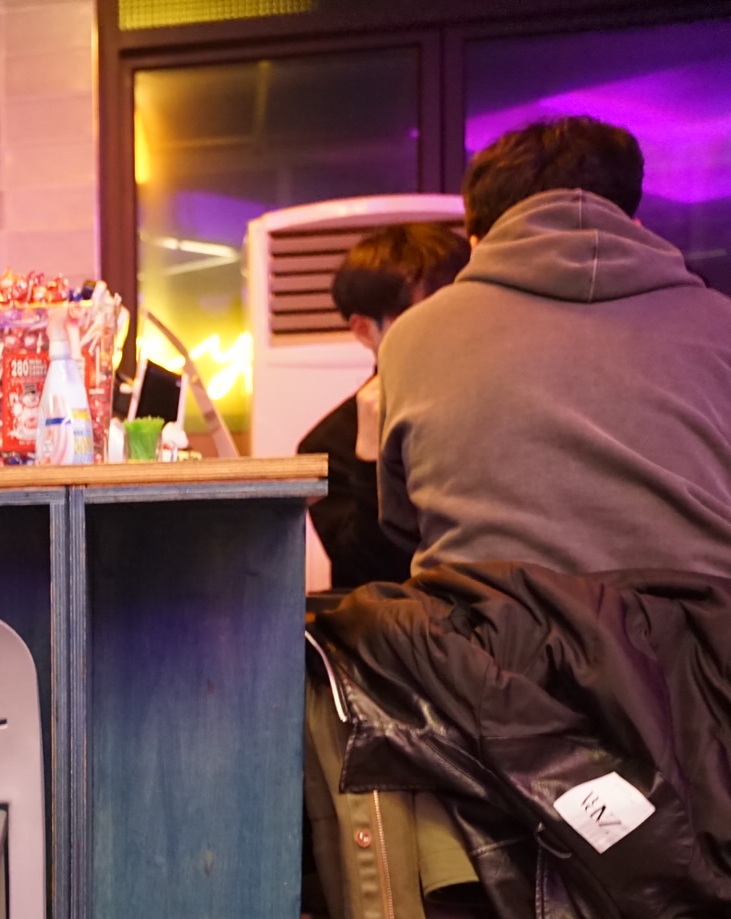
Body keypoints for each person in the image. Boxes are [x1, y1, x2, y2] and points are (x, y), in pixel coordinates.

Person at [376, 115, 731, 575]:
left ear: (477, 243)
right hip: (701, 618)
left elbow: (405, 522)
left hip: (484, 617)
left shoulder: (412, 335)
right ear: (635, 226)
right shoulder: (722, 323)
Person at [299, 222, 469, 590]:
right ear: (364, 330)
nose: (450, 330)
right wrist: (369, 459)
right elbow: (362, 576)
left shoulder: (499, 400)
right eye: (423, 317)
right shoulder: (327, 445)